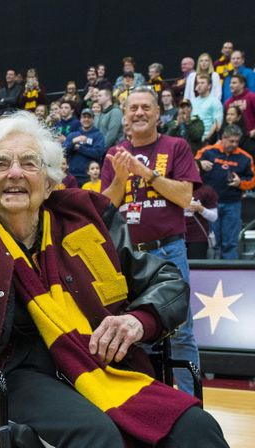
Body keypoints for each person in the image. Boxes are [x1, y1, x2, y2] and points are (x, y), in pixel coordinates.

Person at [0, 15, 229, 448]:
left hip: (98, 358)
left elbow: (166, 280)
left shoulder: (86, 218)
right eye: (1, 164)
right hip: (10, 371)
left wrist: (138, 321)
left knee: (198, 428)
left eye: (29, 163)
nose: (15, 174)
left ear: (50, 182)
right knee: (95, 436)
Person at [101, 86, 202, 396]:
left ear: (158, 113)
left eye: (146, 107)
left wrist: (146, 173)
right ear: (125, 117)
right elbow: (103, 210)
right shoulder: (114, 155)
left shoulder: (176, 146)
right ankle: (148, 402)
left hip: (169, 249)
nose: (140, 113)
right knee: (133, 327)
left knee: (181, 330)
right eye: (133, 108)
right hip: (130, 257)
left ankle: (189, 404)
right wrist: (120, 179)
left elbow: (185, 197)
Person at [195, 124, 255, 259]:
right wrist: (199, 164)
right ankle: (210, 273)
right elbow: (191, 167)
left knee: (230, 243)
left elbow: (252, 180)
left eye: (237, 142)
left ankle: (231, 274)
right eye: (231, 141)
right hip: (209, 205)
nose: (234, 144)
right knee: (212, 243)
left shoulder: (245, 158)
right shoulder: (207, 152)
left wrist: (241, 183)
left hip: (232, 204)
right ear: (223, 138)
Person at [63, 108, 105, 186]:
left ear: (93, 119)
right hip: (72, 176)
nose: (86, 119)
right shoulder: (73, 135)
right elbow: (63, 151)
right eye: (84, 117)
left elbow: (98, 153)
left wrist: (80, 148)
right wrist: (73, 142)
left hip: (89, 177)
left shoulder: (98, 135)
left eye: (89, 117)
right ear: (80, 119)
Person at [190, 74, 223, 143]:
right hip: (193, 139)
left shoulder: (215, 102)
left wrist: (207, 139)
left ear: (209, 86)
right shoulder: (192, 102)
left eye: (202, 83)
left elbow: (217, 124)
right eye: (198, 83)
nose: (199, 85)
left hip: (208, 140)